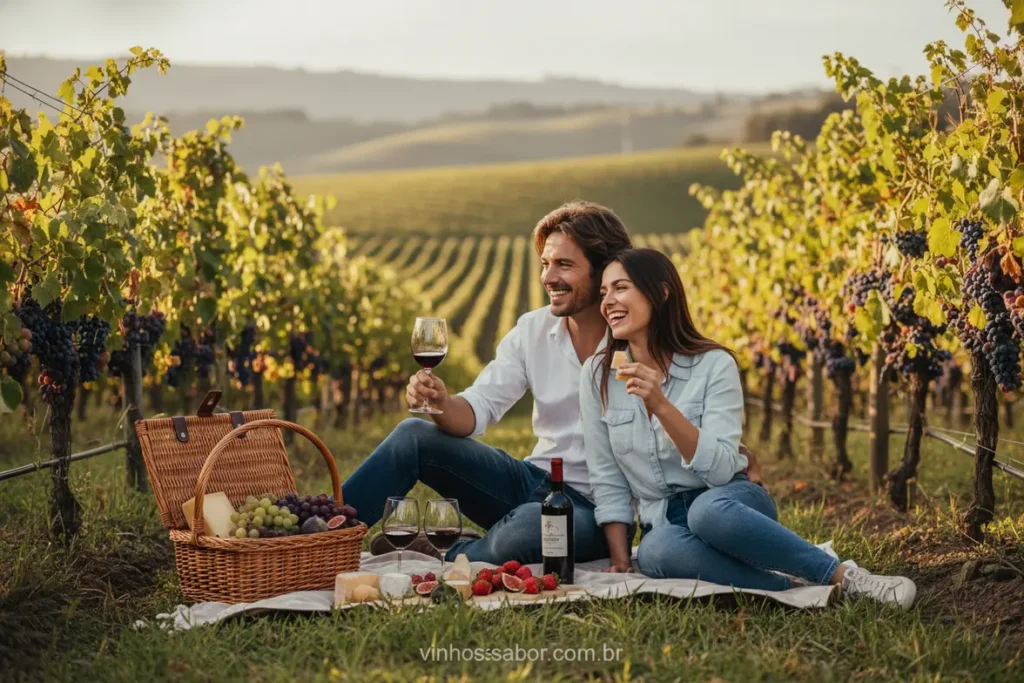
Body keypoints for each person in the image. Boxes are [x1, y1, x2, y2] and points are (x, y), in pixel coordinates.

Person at [580, 248, 917, 609]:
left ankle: (845, 577)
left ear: (661, 293)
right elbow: (607, 476)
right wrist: (619, 559)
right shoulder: (598, 376)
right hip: (663, 522)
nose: (608, 301)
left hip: (730, 503)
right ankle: (783, 582)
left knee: (706, 512)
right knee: (655, 551)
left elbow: (724, 468)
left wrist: (661, 406)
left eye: (620, 288)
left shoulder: (713, 364)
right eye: (603, 292)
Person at [340, 201, 636, 564]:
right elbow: (479, 407)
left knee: (531, 526)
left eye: (564, 264)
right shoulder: (533, 329)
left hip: (597, 512)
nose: (547, 277)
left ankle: (445, 548)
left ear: (603, 269)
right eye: (545, 263)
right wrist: (441, 403)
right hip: (531, 480)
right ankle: (320, 538)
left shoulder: (640, 342)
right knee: (411, 436)